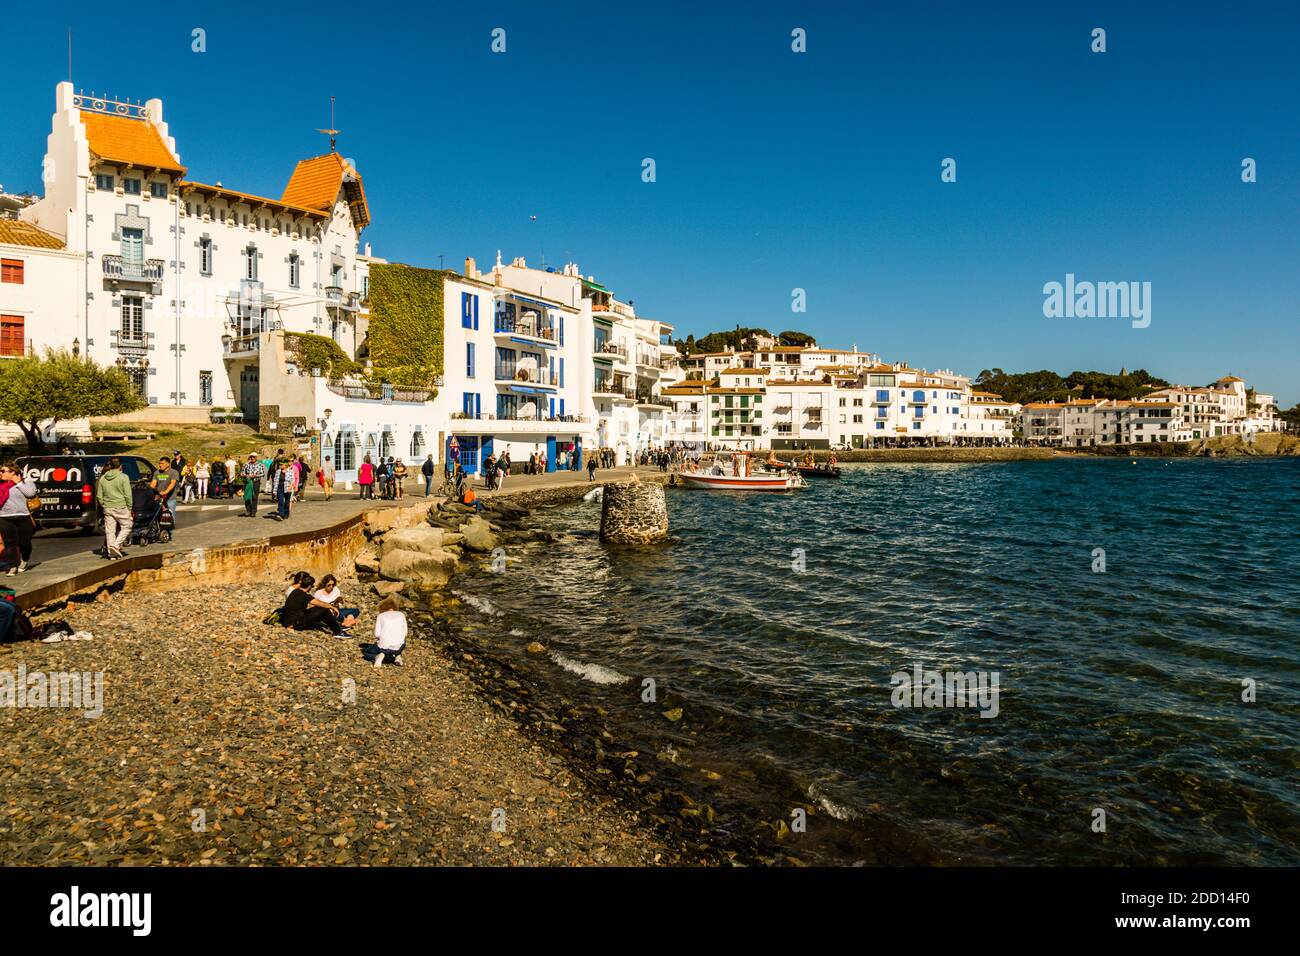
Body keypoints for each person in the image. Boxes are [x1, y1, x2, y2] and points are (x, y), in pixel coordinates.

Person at [277, 571, 343, 635]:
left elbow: (319, 605)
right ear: (309, 586)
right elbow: (320, 603)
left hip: (288, 621)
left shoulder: (295, 591)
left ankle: (332, 624)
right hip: (295, 624)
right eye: (312, 586)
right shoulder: (304, 596)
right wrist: (332, 607)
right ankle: (338, 632)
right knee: (324, 611)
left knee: (318, 608)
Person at [0, 464, 37, 575]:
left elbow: (30, 493)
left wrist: (19, 483)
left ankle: (24, 560)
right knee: (9, 543)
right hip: (4, 517)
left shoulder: (26, 482)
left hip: (23, 516)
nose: (0, 473)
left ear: (12, 472)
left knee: (24, 543)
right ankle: (12, 566)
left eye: (3, 471)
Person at [96, 456, 133, 560]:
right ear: (120, 466)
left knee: (110, 531)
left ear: (110, 466)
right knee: (127, 525)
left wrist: (104, 504)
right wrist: (129, 507)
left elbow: (99, 495)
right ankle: (115, 546)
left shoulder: (103, 478)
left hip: (107, 507)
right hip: (121, 506)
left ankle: (111, 554)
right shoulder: (124, 477)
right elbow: (128, 495)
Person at [363, 595, 407, 666]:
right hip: (400, 646)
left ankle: (379, 656)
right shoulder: (401, 615)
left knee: (366, 653)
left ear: (383, 608)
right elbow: (405, 633)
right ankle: (397, 656)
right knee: (399, 641)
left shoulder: (381, 616)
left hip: (384, 646)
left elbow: (377, 634)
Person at [151, 456, 181, 522]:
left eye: (162, 463)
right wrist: (151, 492)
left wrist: (166, 492)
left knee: (170, 516)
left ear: (168, 464)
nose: (160, 465)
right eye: (159, 463)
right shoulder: (156, 473)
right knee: (159, 515)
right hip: (159, 498)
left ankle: (170, 530)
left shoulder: (174, 472)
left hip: (170, 498)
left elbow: (172, 484)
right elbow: (153, 484)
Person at [240, 453, 265, 517]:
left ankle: (253, 512)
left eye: (253, 457)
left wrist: (255, 475)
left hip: (256, 482)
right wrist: (245, 475)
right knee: (247, 496)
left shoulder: (260, 465)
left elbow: (262, 474)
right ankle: (248, 510)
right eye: (251, 457)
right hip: (248, 482)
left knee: (254, 497)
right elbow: (242, 473)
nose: (252, 458)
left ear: (256, 458)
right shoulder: (246, 464)